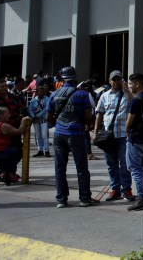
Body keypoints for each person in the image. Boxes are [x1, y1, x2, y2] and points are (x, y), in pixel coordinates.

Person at [46, 66, 99, 207]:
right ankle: (84, 198)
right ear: (75, 78)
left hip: (59, 134)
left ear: (62, 78)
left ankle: (61, 199)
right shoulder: (81, 94)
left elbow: (48, 116)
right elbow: (88, 115)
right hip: (75, 133)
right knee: (81, 167)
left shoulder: (54, 94)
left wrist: (57, 124)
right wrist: (87, 124)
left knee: (60, 168)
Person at [94, 70, 134, 202]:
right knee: (111, 164)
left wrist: (126, 89)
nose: (116, 82)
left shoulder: (126, 94)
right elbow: (99, 114)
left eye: (118, 79)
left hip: (123, 135)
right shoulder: (104, 95)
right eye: (113, 79)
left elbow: (132, 104)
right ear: (109, 81)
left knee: (125, 163)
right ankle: (115, 189)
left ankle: (127, 189)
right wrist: (95, 132)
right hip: (108, 136)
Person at [0, 79, 26, 182]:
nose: (5, 88)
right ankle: (2, 173)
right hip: (1, 131)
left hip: (14, 129)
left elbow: (21, 107)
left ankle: (11, 172)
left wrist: (22, 115)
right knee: (1, 150)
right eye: (2, 86)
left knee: (16, 151)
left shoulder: (13, 97)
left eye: (5, 86)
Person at [0, 107, 31, 185]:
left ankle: (7, 172)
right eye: (7, 114)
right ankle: (8, 172)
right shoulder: (3, 126)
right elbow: (19, 131)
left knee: (11, 152)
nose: (9, 115)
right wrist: (24, 120)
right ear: (1, 115)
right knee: (19, 152)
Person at [125, 73, 143, 211]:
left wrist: (127, 130)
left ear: (137, 84)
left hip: (136, 139)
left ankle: (142, 198)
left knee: (135, 169)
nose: (130, 86)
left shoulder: (136, 101)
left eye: (131, 84)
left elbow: (129, 121)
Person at [29, 86, 51, 157]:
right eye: (39, 91)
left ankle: (47, 150)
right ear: (37, 92)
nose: (41, 92)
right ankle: (40, 150)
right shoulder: (33, 100)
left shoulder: (47, 99)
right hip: (36, 121)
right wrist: (33, 116)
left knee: (44, 135)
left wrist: (38, 115)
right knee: (38, 135)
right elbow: (30, 109)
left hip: (44, 120)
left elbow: (46, 109)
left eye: (42, 91)